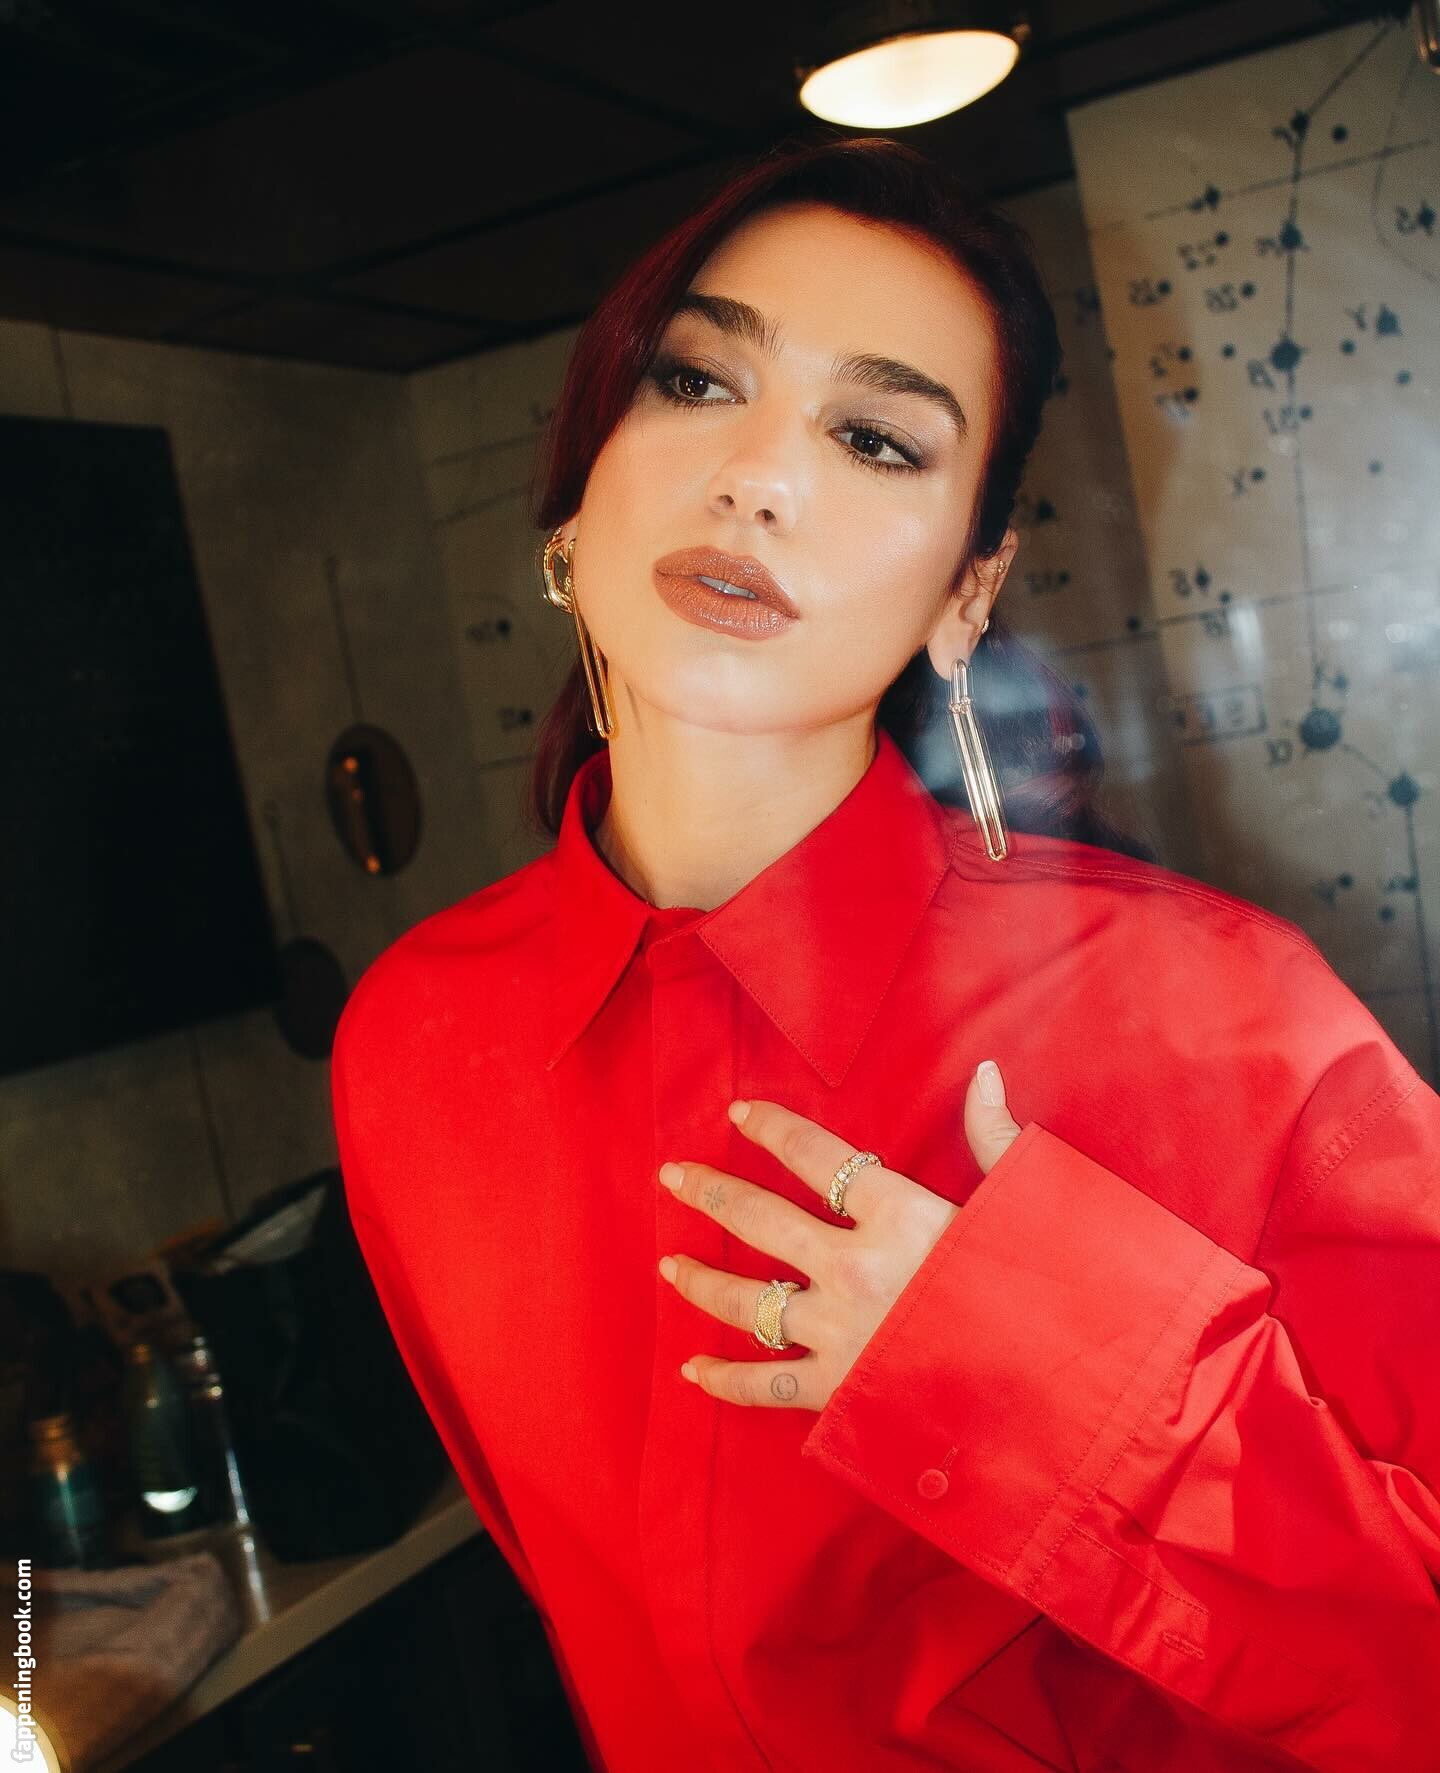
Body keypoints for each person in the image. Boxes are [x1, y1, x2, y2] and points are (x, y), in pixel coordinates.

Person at [329, 134, 1439, 1772]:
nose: (757, 476)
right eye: (697, 382)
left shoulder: (1221, 1021)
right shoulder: (412, 1041)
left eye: (872, 437)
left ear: (967, 592)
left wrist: (1054, 1376)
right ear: (579, 483)